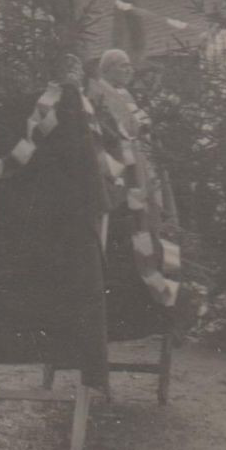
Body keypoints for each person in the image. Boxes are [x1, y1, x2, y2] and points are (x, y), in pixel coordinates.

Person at [87, 48, 181, 309]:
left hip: (143, 163)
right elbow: (115, 132)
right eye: (122, 66)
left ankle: (159, 271)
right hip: (123, 169)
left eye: (130, 66)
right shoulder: (100, 94)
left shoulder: (126, 94)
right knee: (138, 220)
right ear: (106, 70)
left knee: (152, 215)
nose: (129, 70)